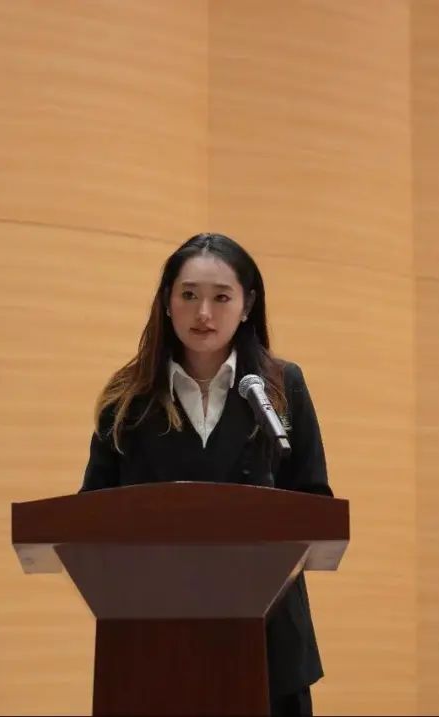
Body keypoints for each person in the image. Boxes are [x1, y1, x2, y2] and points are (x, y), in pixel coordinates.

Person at [79, 232, 333, 717]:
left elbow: (315, 501)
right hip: (150, 642)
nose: (203, 313)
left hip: (267, 644)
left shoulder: (281, 387)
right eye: (189, 295)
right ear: (166, 301)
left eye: (221, 298)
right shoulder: (128, 397)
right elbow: (91, 512)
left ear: (247, 305)